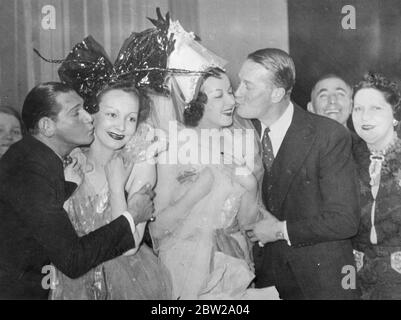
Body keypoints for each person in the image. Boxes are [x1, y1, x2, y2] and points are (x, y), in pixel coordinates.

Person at [0, 82, 155, 299]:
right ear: (47, 126)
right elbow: (73, 258)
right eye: (77, 113)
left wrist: (69, 187)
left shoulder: (43, 158)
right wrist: (133, 213)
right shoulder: (32, 169)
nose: (87, 117)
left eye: (131, 118)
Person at [236, 48, 360, 299]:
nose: (237, 93)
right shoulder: (239, 135)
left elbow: (344, 220)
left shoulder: (328, 136)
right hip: (265, 282)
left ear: (277, 93)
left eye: (247, 86)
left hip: (320, 285)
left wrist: (280, 230)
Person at [150, 67, 279, 300]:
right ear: (195, 102)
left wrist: (250, 187)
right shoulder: (174, 147)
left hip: (232, 256)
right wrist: (197, 192)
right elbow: (157, 228)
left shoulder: (242, 143)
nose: (231, 100)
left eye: (230, 92)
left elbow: (248, 224)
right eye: (219, 96)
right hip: (186, 264)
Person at [49, 82, 172, 299]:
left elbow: (129, 246)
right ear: (91, 114)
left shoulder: (140, 165)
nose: (122, 126)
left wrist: (116, 188)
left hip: (126, 280)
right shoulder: (68, 160)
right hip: (74, 279)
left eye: (131, 118)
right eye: (112, 114)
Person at [351, 73, 401, 299]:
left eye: (375, 109)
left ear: (394, 114)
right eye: (358, 109)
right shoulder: (345, 155)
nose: (364, 117)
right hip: (355, 271)